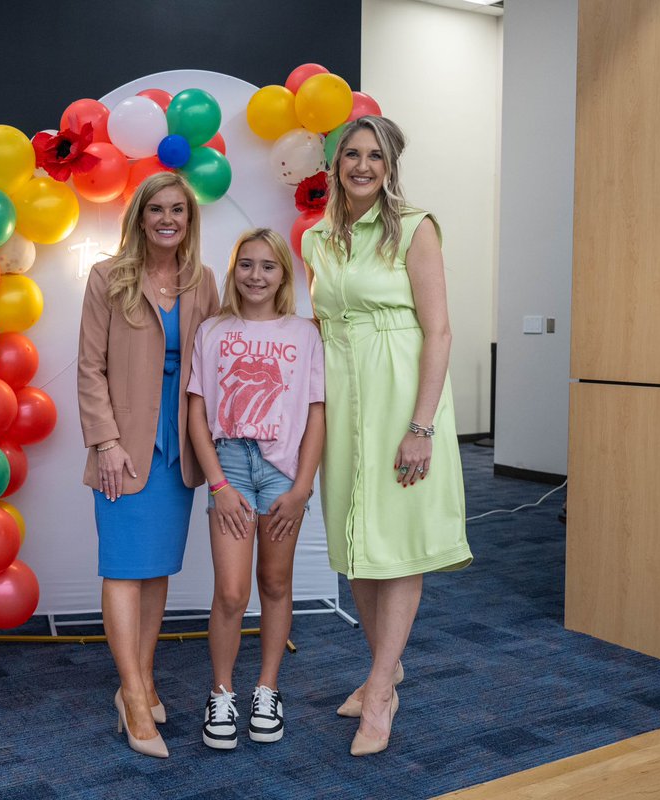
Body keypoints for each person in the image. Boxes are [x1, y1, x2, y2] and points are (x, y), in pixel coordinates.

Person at [301, 116, 472, 757]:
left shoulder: (416, 228)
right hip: (345, 402)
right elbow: (317, 328)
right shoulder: (317, 239)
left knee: (395, 540)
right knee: (357, 539)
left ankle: (379, 690)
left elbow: (440, 332)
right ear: (334, 164)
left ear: (391, 165)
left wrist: (421, 426)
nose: (363, 165)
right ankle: (385, 666)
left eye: (375, 155)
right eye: (352, 154)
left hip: (403, 398)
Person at [77, 172, 220, 759]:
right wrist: (105, 442)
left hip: (179, 444)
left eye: (178, 211)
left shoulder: (203, 281)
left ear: (190, 220)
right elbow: (89, 367)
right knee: (123, 567)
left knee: (157, 567)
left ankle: (144, 676)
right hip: (125, 445)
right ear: (139, 216)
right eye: (156, 209)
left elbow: (213, 364)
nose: (168, 219)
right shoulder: (107, 277)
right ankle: (133, 697)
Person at [187, 229, 325, 750]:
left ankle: (267, 689)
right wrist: (218, 484)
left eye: (268, 266)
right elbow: (197, 410)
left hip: (282, 470)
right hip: (231, 464)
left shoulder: (305, 334)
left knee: (274, 582)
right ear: (233, 270)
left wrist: (302, 487)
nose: (256, 276)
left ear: (283, 276)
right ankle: (221, 692)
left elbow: (316, 413)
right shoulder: (213, 330)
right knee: (230, 591)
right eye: (246, 264)